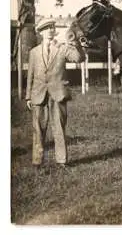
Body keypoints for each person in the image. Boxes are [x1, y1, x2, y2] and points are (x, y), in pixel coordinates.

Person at [25, 18, 85, 169]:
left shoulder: (62, 48)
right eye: (46, 28)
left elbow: (79, 58)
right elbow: (30, 75)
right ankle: (37, 162)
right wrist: (28, 96)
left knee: (59, 127)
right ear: (41, 32)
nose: (50, 30)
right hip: (38, 95)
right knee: (38, 129)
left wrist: (75, 43)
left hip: (58, 93)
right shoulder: (34, 52)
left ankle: (62, 161)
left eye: (52, 27)